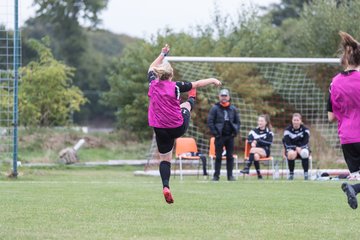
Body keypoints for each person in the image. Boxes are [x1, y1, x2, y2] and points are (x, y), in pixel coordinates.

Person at [148, 44, 221, 204]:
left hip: (160, 128)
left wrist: (163, 54)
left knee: (165, 159)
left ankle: (166, 186)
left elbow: (151, 66)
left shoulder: (152, 84)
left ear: (158, 74)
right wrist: (213, 80)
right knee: (186, 106)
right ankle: (192, 99)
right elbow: (197, 83)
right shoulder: (176, 86)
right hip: (176, 127)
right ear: (171, 75)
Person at [327, 31, 360, 210]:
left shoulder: (334, 83)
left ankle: (354, 188)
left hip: (347, 138)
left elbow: (331, 116)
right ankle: (354, 188)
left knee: (357, 175)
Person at [207, 89, 240, 181]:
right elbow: (210, 121)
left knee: (230, 156)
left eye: (225, 96)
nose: (224, 98)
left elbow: (237, 122)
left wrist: (235, 131)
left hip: (230, 136)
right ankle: (216, 176)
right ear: (219, 97)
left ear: (229, 97)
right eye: (222, 96)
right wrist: (216, 133)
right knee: (218, 156)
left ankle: (230, 176)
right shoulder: (215, 108)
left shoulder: (233, 109)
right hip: (219, 136)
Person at [240, 115, 273, 179]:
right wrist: (252, 142)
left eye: (262, 121)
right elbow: (249, 139)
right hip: (255, 150)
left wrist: (256, 141)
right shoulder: (253, 131)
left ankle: (247, 168)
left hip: (265, 151)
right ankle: (259, 175)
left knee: (252, 150)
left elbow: (269, 143)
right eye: (259, 121)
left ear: (266, 122)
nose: (260, 122)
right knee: (255, 156)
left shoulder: (269, 132)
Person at [282, 113, 311, 180]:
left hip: (302, 149)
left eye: (297, 120)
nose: (296, 122)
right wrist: (295, 148)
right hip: (292, 149)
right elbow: (287, 143)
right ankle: (291, 174)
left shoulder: (305, 130)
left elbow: (305, 142)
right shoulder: (287, 130)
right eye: (294, 120)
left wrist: (299, 149)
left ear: (300, 121)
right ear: (292, 121)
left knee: (305, 153)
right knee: (291, 154)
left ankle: (306, 174)